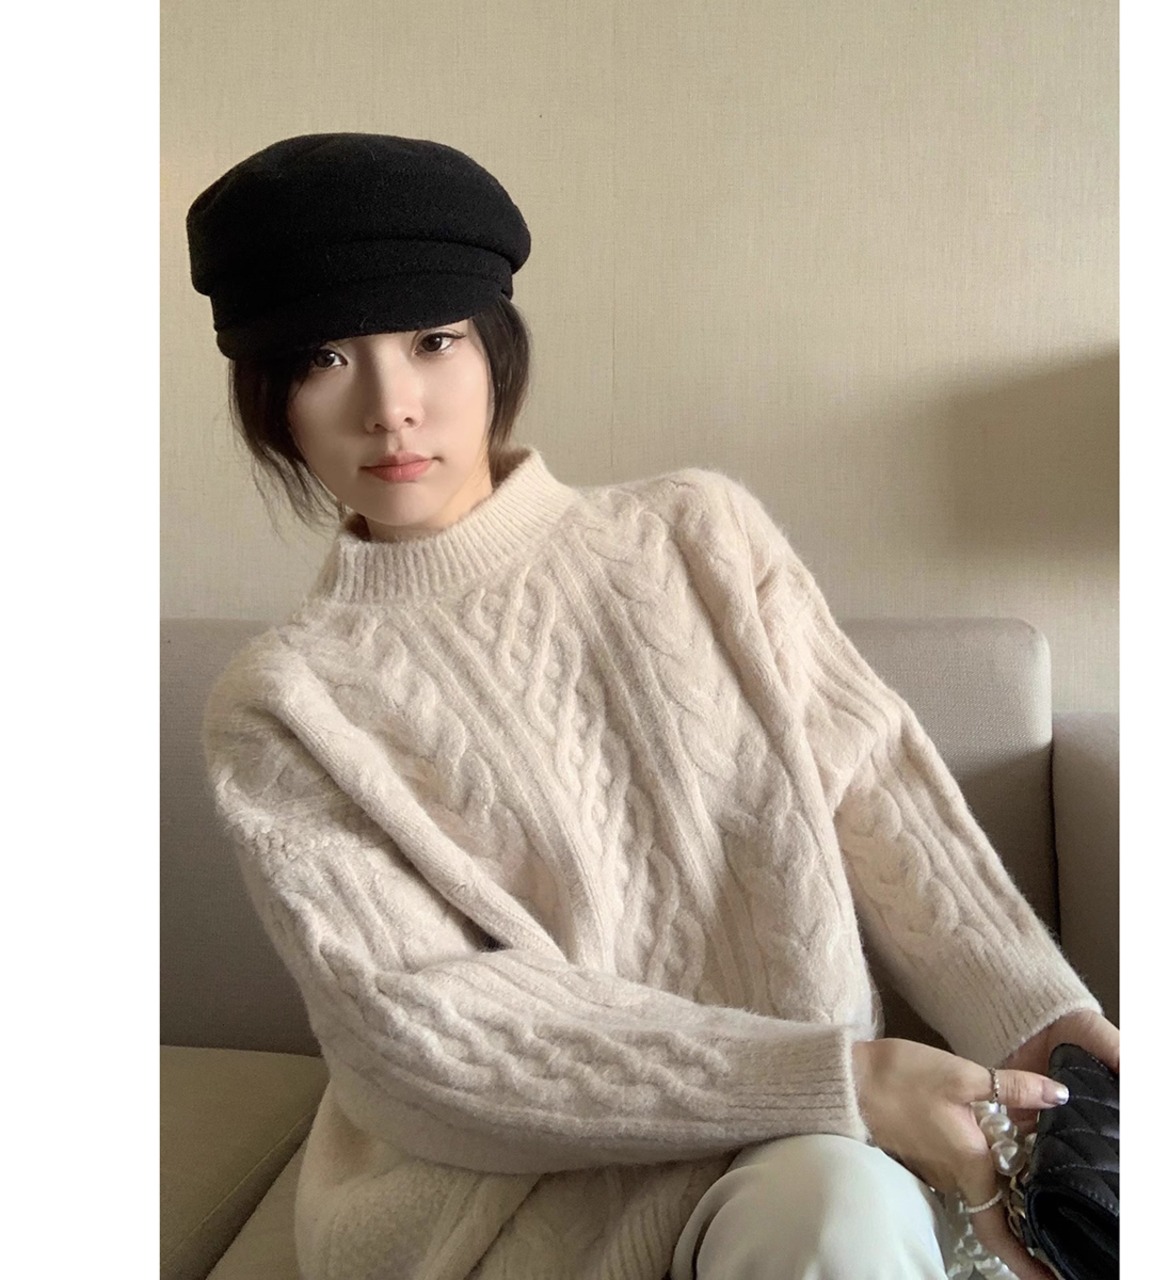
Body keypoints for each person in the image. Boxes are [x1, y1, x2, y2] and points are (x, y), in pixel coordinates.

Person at [186, 133, 1118, 1280]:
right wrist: (844, 1077)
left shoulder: (695, 535)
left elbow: (872, 792)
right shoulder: (283, 701)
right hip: (505, 1195)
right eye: (326, 356)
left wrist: (1040, 1022)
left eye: (433, 340)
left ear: (495, 346)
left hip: (805, 1156)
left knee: (830, 1200)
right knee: (829, 1194)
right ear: (269, 399)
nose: (391, 407)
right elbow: (413, 1028)